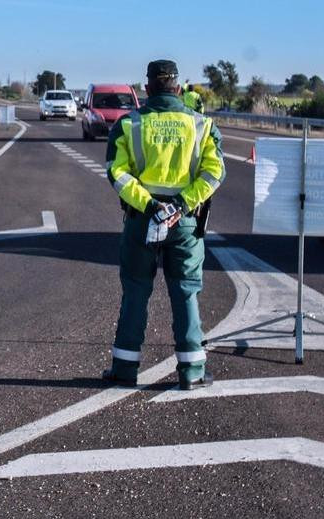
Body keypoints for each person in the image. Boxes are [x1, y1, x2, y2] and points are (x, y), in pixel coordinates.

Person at [103, 60, 225, 390]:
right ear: (179, 87)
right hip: (184, 222)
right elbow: (214, 173)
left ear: (147, 87)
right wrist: (181, 205)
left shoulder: (130, 125)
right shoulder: (201, 125)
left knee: (135, 292)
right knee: (185, 292)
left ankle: (125, 370)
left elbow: (117, 172)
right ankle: (192, 373)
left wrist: (151, 205)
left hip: (143, 220)